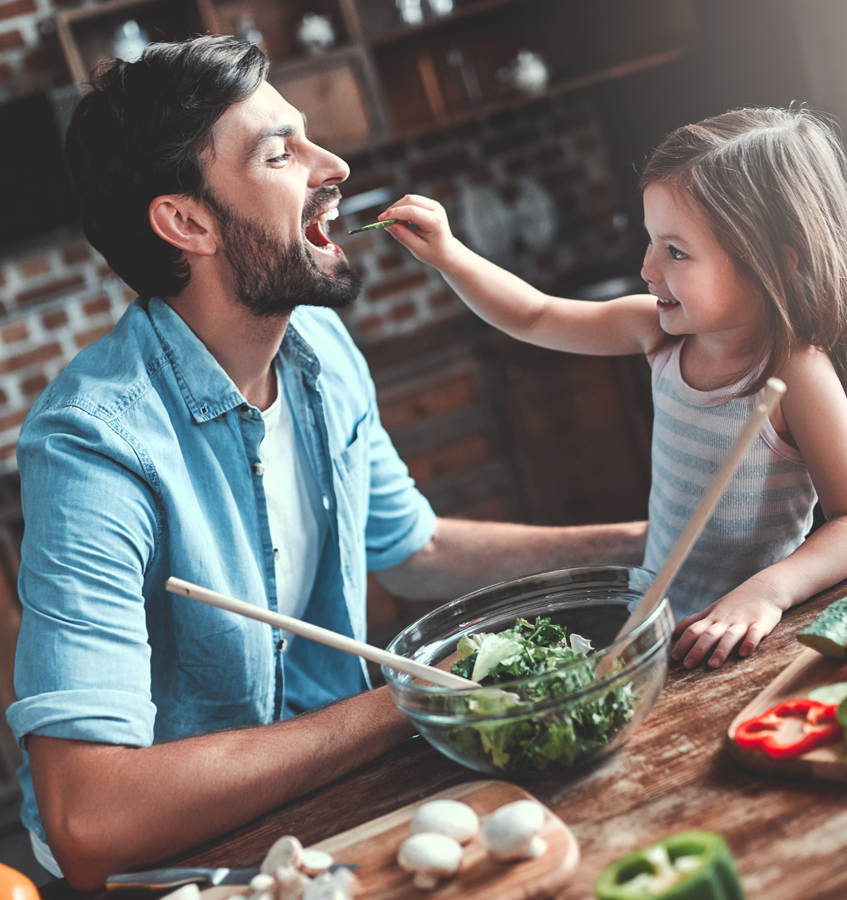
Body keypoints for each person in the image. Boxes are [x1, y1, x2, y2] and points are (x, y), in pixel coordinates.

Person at [5, 36, 647, 891]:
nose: (333, 165)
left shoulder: (317, 348)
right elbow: (90, 819)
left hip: (333, 809)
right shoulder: (94, 445)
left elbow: (412, 549)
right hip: (180, 877)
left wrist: (653, 544)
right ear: (186, 221)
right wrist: (411, 698)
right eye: (281, 152)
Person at [381, 107, 847, 672]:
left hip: (743, 642)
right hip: (655, 630)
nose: (649, 268)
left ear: (771, 263)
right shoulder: (656, 332)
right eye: (651, 240)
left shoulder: (795, 372)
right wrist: (450, 256)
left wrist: (767, 593)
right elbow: (533, 316)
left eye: (676, 251)